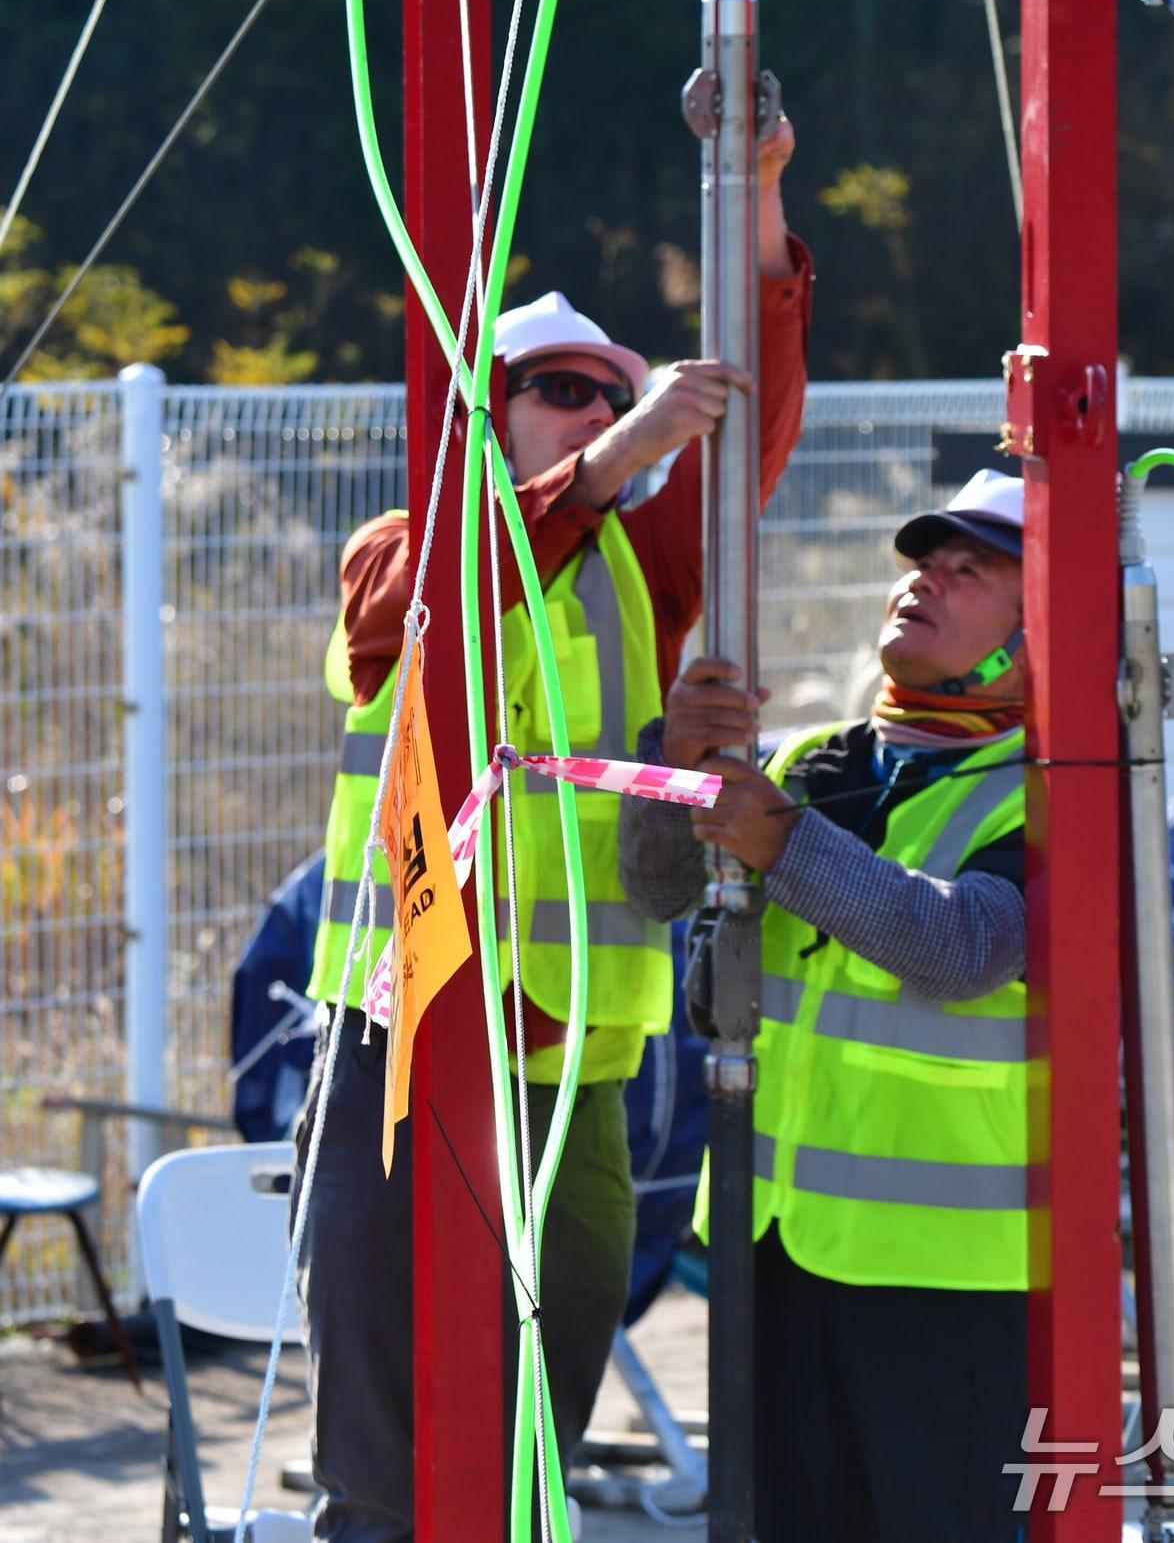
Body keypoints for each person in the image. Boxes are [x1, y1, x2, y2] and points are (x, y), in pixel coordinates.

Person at [292, 117, 811, 1543]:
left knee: (538, 1441)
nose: (595, 413)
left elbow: (749, 434)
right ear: (481, 408)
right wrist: (608, 463)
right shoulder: (401, 549)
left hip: (573, 1061)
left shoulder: (636, 568)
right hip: (406, 1057)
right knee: (388, 1462)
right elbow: (441, 601)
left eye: (611, 396)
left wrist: (758, 198)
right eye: (560, 391)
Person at [618, 467, 1031, 1543]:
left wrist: (786, 845)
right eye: (922, 563)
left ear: (1043, 630)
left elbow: (959, 948)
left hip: (950, 1276)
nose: (922, 582)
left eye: (969, 570)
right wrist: (673, 764)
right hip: (772, 1253)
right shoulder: (811, 761)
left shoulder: (1059, 792)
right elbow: (657, 889)